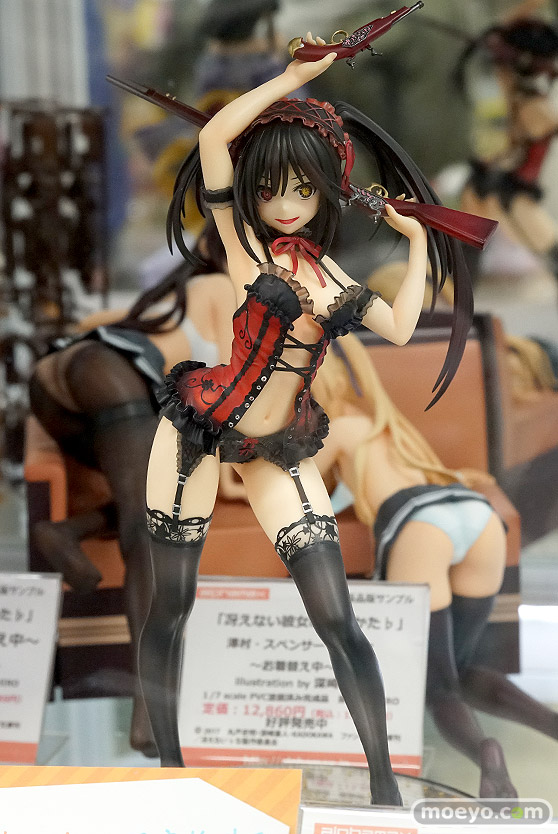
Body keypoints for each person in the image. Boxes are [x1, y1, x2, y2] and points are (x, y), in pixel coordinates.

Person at [135, 42, 477, 805]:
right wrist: (291, 80)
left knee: (338, 618)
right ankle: (169, 773)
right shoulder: (244, 247)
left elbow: (400, 327)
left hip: (276, 447)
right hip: (197, 431)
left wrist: (418, 241)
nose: (286, 204)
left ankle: (384, 789)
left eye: (301, 189)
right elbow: (214, 139)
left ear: (325, 191)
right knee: (172, 604)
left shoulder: (334, 278)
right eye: (270, 190)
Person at [312, 331, 558, 798]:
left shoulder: (336, 428)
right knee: (462, 667)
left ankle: (485, 751)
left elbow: (302, 488)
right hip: (474, 515)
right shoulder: (386, 422)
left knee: (439, 688)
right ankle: (550, 724)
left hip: (421, 525)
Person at [27, 220, 236, 757]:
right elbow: (224, 391)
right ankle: (149, 713)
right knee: (151, 526)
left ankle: (64, 532)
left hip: (64, 381)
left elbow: (95, 327)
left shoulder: (173, 295)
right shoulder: (222, 288)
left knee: (144, 497)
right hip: (111, 378)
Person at [456, 0, 558, 280]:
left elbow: (526, 152)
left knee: (548, 247)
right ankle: (459, 287)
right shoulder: (520, 96)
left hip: (516, 192)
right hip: (502, 185)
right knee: (471, 214)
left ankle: (460, 285)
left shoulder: (534, 107)